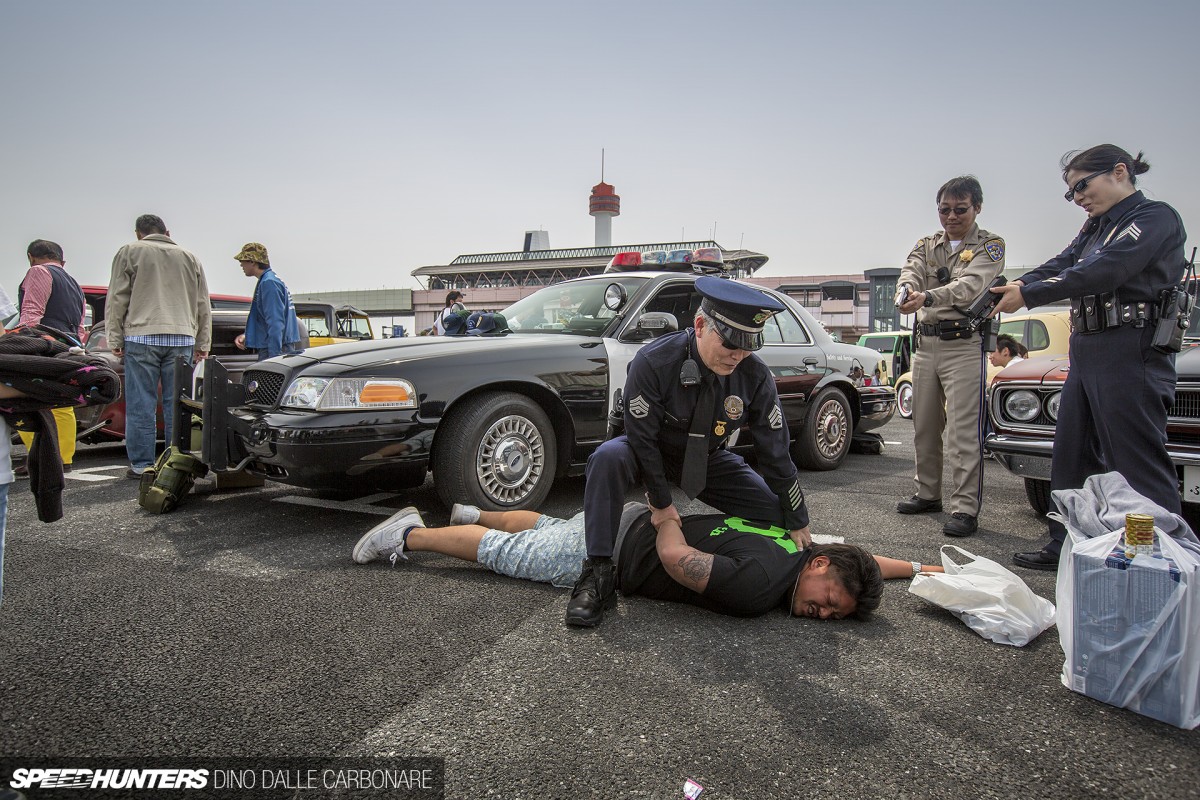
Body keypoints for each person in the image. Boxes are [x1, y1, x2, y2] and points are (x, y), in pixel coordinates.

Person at [566, 275, 811, 627]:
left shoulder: (754, 375)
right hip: (648, 451)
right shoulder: (653, 361)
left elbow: (775, 453)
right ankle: (598, 572)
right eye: (730, 343)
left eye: (748, 345)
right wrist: (663, 506)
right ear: (699, 325)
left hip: (705, 459)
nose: (738, 355)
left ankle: (716, 549)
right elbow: (643, 440)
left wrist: (798, 516)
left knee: (778, 516)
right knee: (607, 457)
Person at [990, 145, 1187, 571]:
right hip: (1088, 347)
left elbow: (1107, 270)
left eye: (1082, 185)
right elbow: (1064, 263)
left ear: (1119, 172)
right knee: (1072, 455)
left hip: (1131, 349)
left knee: (1134, 464)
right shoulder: (1095, 228)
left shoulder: (1153, 218)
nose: (1078, 197)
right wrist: (1021, 283)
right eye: (1071, 193)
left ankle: (1149, 557)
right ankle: (1067, 541)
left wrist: (1031, 294)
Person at [352, 502, 946, 620]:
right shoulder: (761, 587)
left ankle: (468, 512)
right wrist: (667, 521)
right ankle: (412, 535)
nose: (822, 616)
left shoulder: (802, 544)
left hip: (624, 518)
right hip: (625, 549)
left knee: (550, 525)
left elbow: (865, 559)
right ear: (821, 573)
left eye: (833, 617)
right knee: (515, 554)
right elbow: (680, 560)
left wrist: (919, 569)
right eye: (829, 606)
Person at [896, 176, 1005, 538]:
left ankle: (964, 508)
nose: (952, 216)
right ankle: (927, 493)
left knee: (962, 433)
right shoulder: (926, 245)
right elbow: (909, 272)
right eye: (945, 209)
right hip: (925, 346)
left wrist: (925, 297)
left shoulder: (990, 245)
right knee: (924, 427)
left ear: (977, 208)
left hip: (963, 346)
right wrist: (906, 291)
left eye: (961, 209)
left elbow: (971, 286)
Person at [106, 214, 211, 478]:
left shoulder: (130, 251)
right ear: (167, 231)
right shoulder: (190, 257)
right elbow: (203, 304)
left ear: (138, 233)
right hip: (182, 337)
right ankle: (176, 462)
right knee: (177, 403)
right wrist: (203, 342)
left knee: (142, 403)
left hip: (142, 336)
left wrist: (115, 338)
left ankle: (143, 465)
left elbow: (117, 299)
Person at [14, 240, 86, 476]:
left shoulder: (38, 271)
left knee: (28, 397)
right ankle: (64, 459)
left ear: (30, 256)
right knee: (63, 402)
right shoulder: (74, 283)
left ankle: (38, 456)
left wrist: (24, 341)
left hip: (43, 342)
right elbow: (81, 321)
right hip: (69, 344)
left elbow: (32, 311)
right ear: (60, 259)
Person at [232, 242, 303, 360]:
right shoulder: (271, 280)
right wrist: (248, 336)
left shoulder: (268, 283)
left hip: (274, 349)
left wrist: (274, 359)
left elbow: (275, 323)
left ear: (252, 261)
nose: (241, 265)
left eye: (242, 261)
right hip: (278, 346)